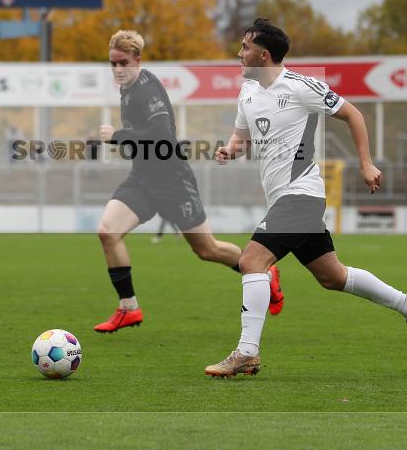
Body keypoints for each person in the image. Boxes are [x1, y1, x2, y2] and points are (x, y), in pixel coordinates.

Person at [204, 19, 407, 378]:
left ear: (263, 55)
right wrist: (229, 150)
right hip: (283, 200)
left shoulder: (299, 87)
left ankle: (247, 353)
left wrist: (366, 163)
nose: (239, 53)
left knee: (251, 261)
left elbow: (352, 114)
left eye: (245, 47)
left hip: (301, 195)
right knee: (333, 276)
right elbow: (240, 138)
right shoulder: (246, 91)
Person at [93, 29, 284, 333]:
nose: (117, 69)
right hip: (142, 179)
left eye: (123, 63)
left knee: (207, 250)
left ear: (137, 60)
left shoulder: (147, 89)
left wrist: (118, 135)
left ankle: (265, 270)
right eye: (112, 64)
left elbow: (163, 137)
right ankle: (128, 307)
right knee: (107, 232)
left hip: (172, 181)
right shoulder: (127, 87)